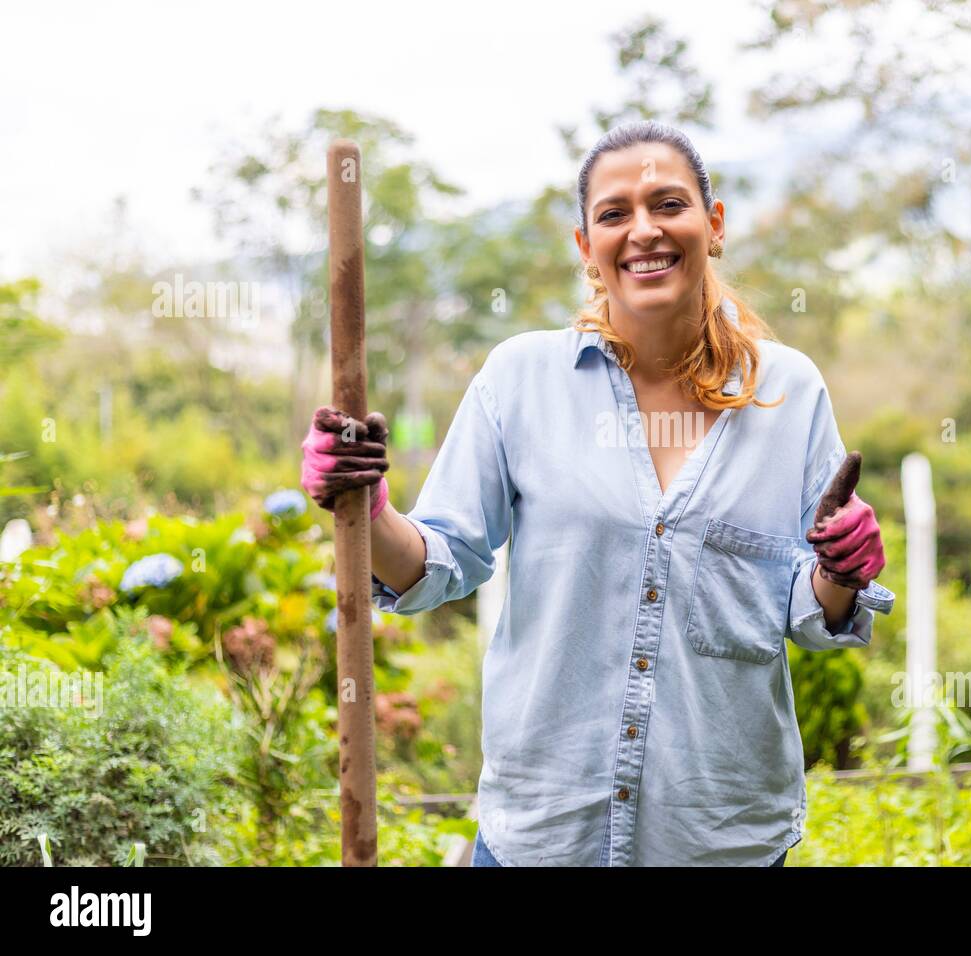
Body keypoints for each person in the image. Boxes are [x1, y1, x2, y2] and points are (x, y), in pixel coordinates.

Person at [300, 120, 893, 867]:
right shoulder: (521, 381)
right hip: (545, 838)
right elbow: (437, 562)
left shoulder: (790, 393)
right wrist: (369, 507)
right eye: (614, 214)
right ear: (586, 246)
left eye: (668, 204)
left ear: (713, 227)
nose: (643, 231)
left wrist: (842, 571)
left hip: (720, 841)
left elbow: (812, 616)